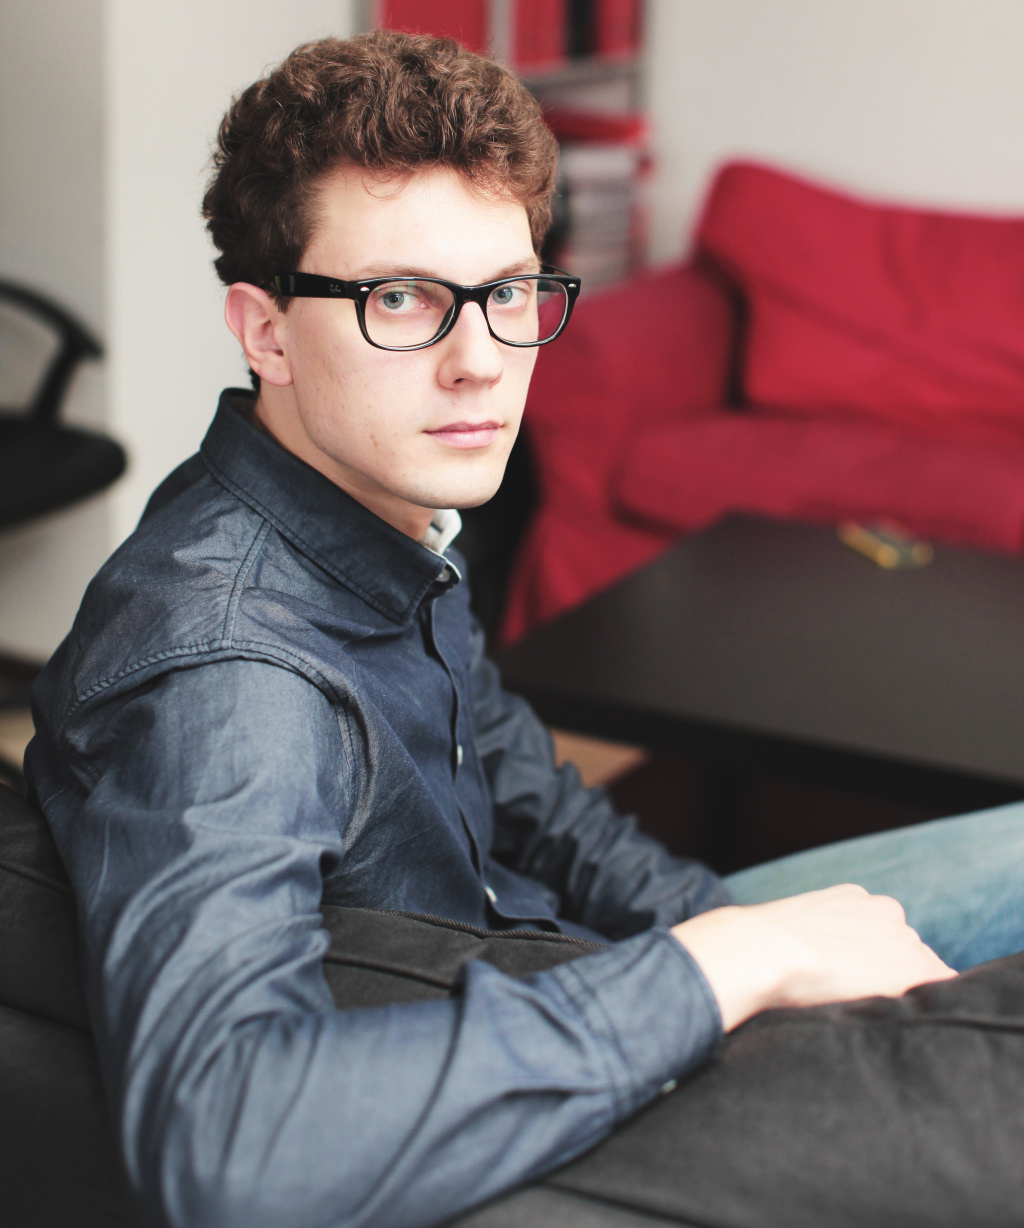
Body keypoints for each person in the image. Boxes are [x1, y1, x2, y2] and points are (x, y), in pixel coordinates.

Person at [24, 29, 1024, 1228]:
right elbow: (226, 1143)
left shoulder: (380, 517)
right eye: (399, 298)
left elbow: (530, 797)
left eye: (505, 293)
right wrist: (731, 965)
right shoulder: (231, 678)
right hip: (513, 1086)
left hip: (559, 981)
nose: (481, 363)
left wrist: (731, 922)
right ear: (265, 329)